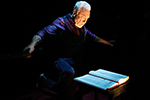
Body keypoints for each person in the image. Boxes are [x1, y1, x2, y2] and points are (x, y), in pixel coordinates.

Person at [24, 1, 114, 100]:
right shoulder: (62, 22)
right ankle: (44, 81)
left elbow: (92, 36)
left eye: (87, 18)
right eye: (83, 16)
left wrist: (105, 42)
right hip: (60, 59)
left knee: (70, 92)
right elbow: (43, 33)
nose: (85, 21)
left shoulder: (82, 27)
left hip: (75, 62)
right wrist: (32, 44)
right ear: (74, 12)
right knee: (68, 73)